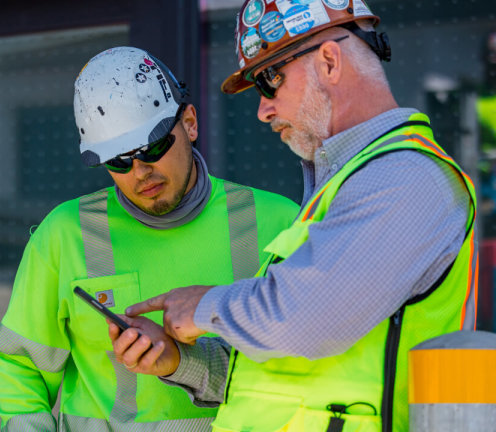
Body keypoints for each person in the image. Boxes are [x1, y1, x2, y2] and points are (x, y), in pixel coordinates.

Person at [110, 2, 478, 432]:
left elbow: (308, 319)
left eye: (269, 81)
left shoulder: (406, 179)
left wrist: (203, 306)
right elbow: (272, 374)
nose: (263, 110)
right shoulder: (344, 189)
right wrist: (178, 361)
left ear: (328, 61)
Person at [0, 46, 299, 431]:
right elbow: (22, 367)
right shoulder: (65, 235)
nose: (140, 171)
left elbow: (303, 365)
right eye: (118, 160)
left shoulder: (278, 224)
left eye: (153, 146)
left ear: (190, 123)